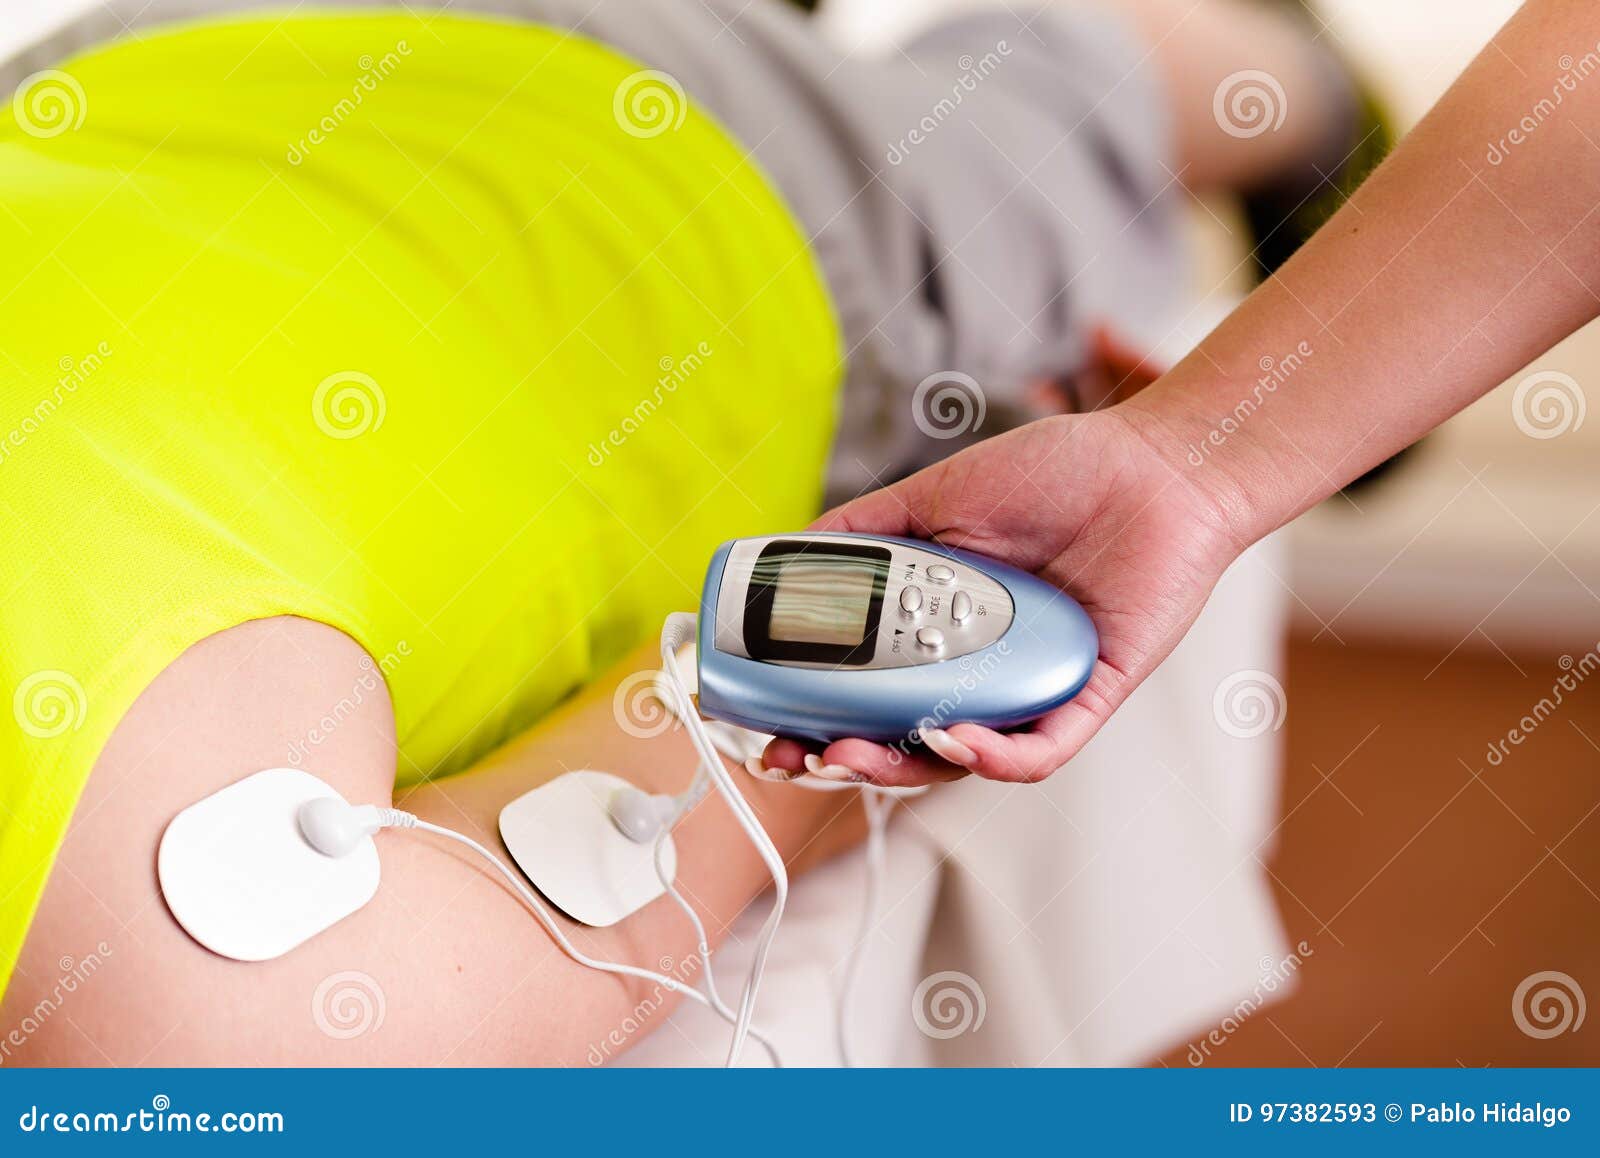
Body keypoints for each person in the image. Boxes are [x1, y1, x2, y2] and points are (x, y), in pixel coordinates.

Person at [0, 0, 1356, 1062]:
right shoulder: (172, 1001)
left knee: (1042, 111)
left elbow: (680, 806)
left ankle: (1312, 99)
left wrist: (950, 592)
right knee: (997, 107)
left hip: (679, 210)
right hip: (163, 70)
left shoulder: (183, 1032)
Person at [762, 0, 1600, 787]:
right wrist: (1188, 469)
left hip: (751, 172)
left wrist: (1200, 455)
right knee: (1014, 94)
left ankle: (1305, 91)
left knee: (1032, 99)